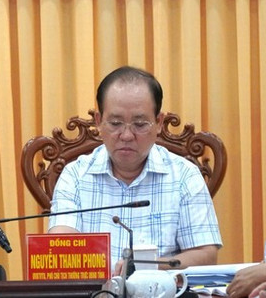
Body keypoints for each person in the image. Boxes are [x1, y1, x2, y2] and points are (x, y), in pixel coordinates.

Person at [48, 66, 222, 273]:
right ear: (98, 122)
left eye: (140, 124)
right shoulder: (74, 176)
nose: (127, 135)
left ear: (158, 123)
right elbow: (61, 249)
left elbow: (205, 254)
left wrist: (147, 267)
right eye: (115, 123)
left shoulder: (185, 175)